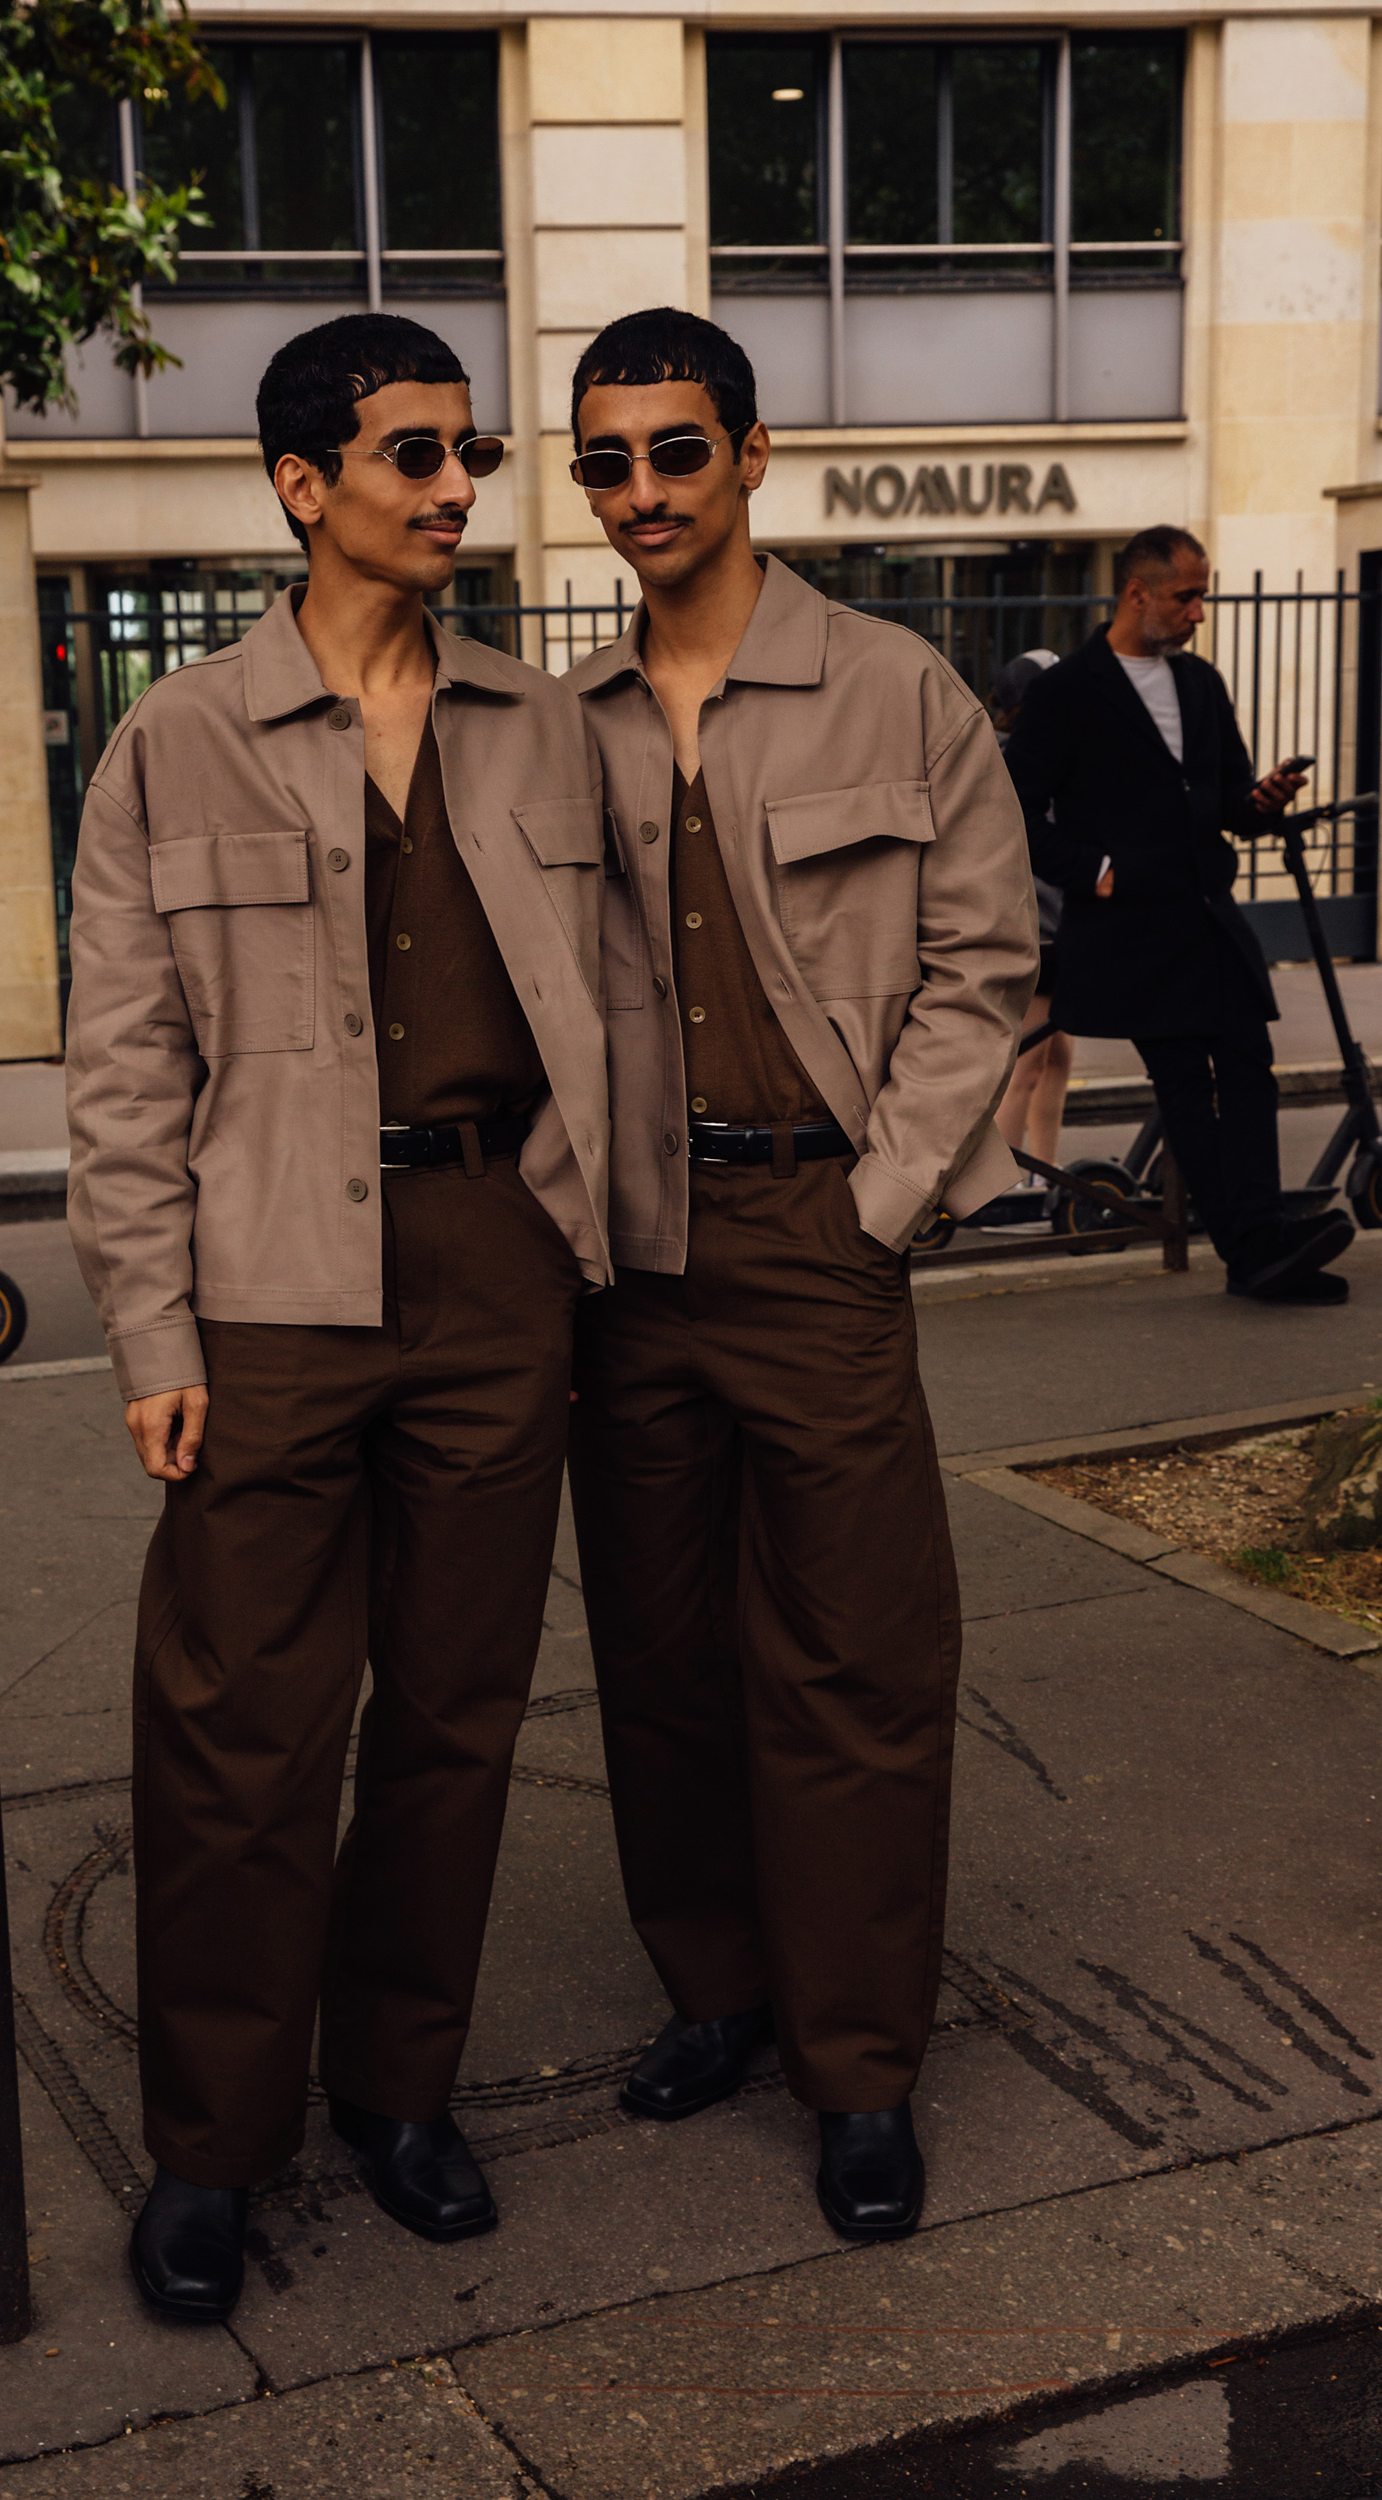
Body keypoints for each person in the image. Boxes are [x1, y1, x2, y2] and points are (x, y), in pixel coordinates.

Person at [66, 311, 610, 2322]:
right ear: (302, 484)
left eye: (463, 449)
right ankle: (213, 2141)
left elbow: (621, 1001)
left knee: (456, 1712)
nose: (455, 483)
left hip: (493, 1260)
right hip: (266, 1280)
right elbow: (119, 1066)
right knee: (238, 1729)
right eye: (410, 453)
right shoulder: (172, 737)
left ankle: (399, 2090)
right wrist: (154, 1336)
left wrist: (583, 1237)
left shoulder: (538, 720)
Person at [562, 307, 1038, 2242]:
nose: (640, 492)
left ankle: (857, 2070)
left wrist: (880, 1202)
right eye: (603, 460)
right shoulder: (556, 719)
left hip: (815, 1238)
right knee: (663, 1660)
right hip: (626, 1255)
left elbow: (983, 966)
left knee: (849, 1661)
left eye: (674, 450)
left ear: (752, 456)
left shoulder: (894, 688)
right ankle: (719, 1995)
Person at [1004, 525, 1352, 1302]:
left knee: (1250, 1071)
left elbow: (1229, 805)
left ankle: (1260, 1236)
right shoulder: (1068, 692)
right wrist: (1089, 870)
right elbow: (1009, 810)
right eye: (1185, 596)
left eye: (1202, 594)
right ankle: (1249, 1253)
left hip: (1207, 918)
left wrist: (1260, 803)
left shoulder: (1199, 684)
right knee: (1186, 1090)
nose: (1198, 611)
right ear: (1136, 594)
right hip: (1131, 931)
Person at [990, 650, 1073, 1184]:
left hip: (1054, 925)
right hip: (1032, 928)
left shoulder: (1050, 753)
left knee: (1056, 1052)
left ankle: (1044, 1171)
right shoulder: (1008, 759)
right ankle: (1001, 1188)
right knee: (1026, 1060)